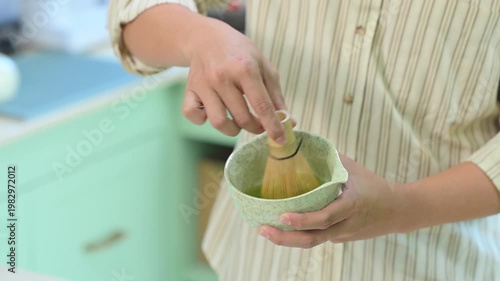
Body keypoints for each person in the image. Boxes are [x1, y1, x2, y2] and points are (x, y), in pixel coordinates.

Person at [108, 1, 500, 280]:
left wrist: (401, 207)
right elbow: (130, 12)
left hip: (437, 262)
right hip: (255, 263)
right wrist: (199, 36)